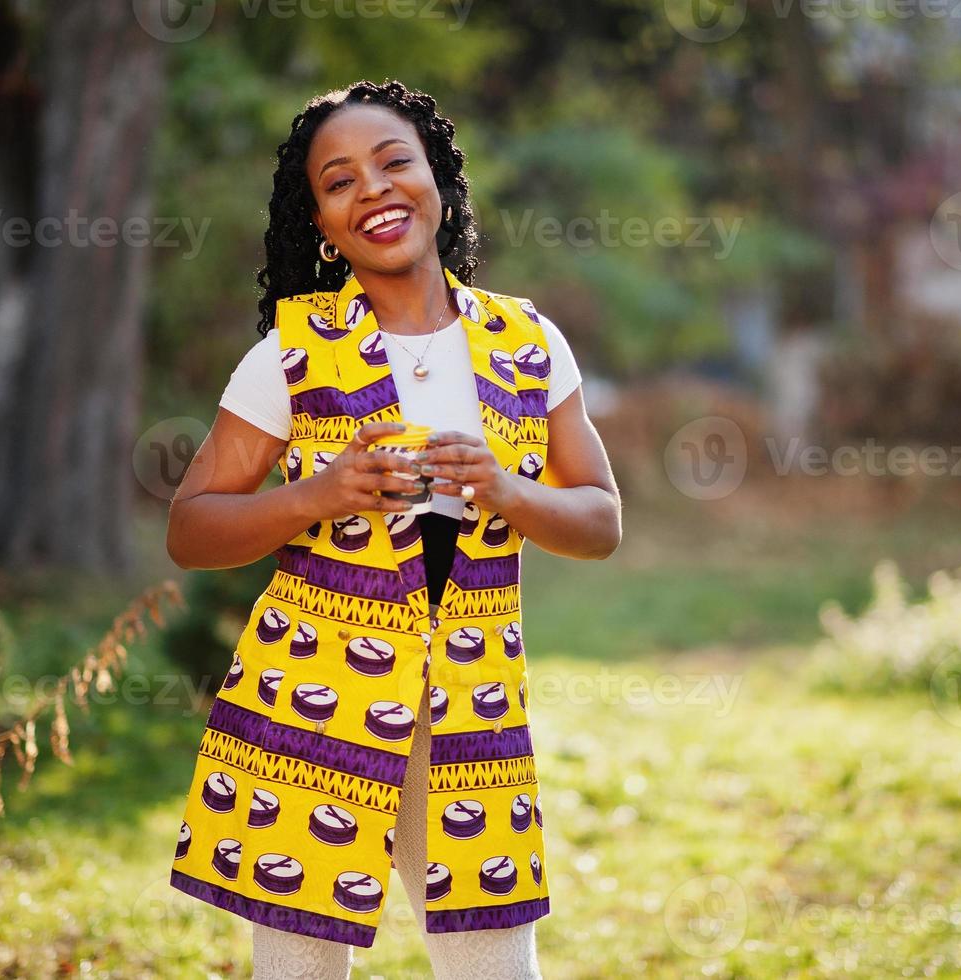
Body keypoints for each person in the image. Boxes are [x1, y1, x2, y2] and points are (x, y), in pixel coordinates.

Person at [164, 78, 620, 980]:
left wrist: (502, 488)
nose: (371, 188)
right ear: (321, 225)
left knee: (495, 967)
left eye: (392, 162)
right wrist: (318, 495)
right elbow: (190, 528)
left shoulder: (527, 343)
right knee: (298, 970)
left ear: (439, 183)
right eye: (337, 182)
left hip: (471, 702)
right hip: (309, 707)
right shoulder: (289, 357)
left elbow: (601, 520)